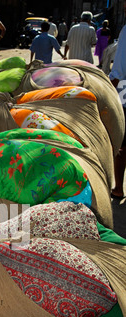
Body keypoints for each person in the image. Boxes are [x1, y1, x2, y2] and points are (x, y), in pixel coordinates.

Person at [109, 0, 126, 200]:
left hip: (124, 91)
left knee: (122, 145)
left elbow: (119, 70)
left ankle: (118, 188)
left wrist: (106, 92)